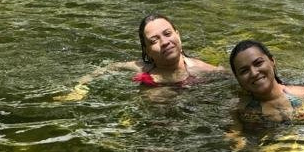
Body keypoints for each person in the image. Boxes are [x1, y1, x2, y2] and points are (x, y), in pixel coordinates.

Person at [55, 12, 224, 100]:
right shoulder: (143, 68)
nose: (165, 42)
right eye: (154, 40)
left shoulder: (201, 69)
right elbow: (108, 68)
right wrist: (79, 87)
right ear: (147, 50)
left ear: (178, 35)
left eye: (167, 33)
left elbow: (228, 75)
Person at [229, 39, 304, 126]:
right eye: (244, 71)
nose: (254, 73)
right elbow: (235, 141)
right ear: (237, 77)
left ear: (272, 61)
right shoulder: (238, 109)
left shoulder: (302, 94)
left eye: (258, 63)